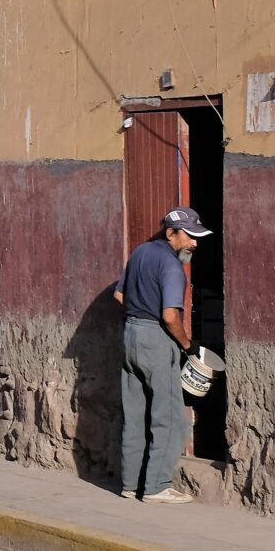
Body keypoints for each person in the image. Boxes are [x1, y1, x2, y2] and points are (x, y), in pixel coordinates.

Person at [118, 206, 208, 504]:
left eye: (197, 237)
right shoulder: (172, 267)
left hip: (130, 335)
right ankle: (157, 486)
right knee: (170, 418)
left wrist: (140, 312)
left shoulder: (140, 253)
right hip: (156, 339)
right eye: (189, 236)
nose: (194, 243)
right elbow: (170, 316)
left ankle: (130, 485)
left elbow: (119, 295)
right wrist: (187, 345)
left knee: (134, 416)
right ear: (171, 233)